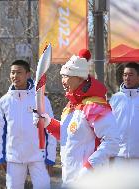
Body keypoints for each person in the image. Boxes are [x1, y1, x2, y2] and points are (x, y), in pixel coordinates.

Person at [34, 49, 120, 187]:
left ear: (79, 78)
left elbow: (113, 142)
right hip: (70, 179)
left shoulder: (94, 106)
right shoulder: (70, 107)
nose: (62, 81)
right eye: (62, 76)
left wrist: (89, 168)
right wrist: (48, 123)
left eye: (66, 76)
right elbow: (67, 135)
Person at [0, 59, 57, 189]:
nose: (15, 76)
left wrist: (50, 157)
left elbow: (51, 129)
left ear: (28, 74)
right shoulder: (4, 101)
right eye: (12, 72)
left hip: (39, 157)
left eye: (19, 72)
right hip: (14, 158)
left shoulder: (40, 99)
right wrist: (0, 156)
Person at [109, 62, 139, 164]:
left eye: (131, 75)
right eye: (125, 75)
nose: (127, 78)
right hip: (118, 156)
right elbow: (108, 126)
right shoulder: (115, 98)